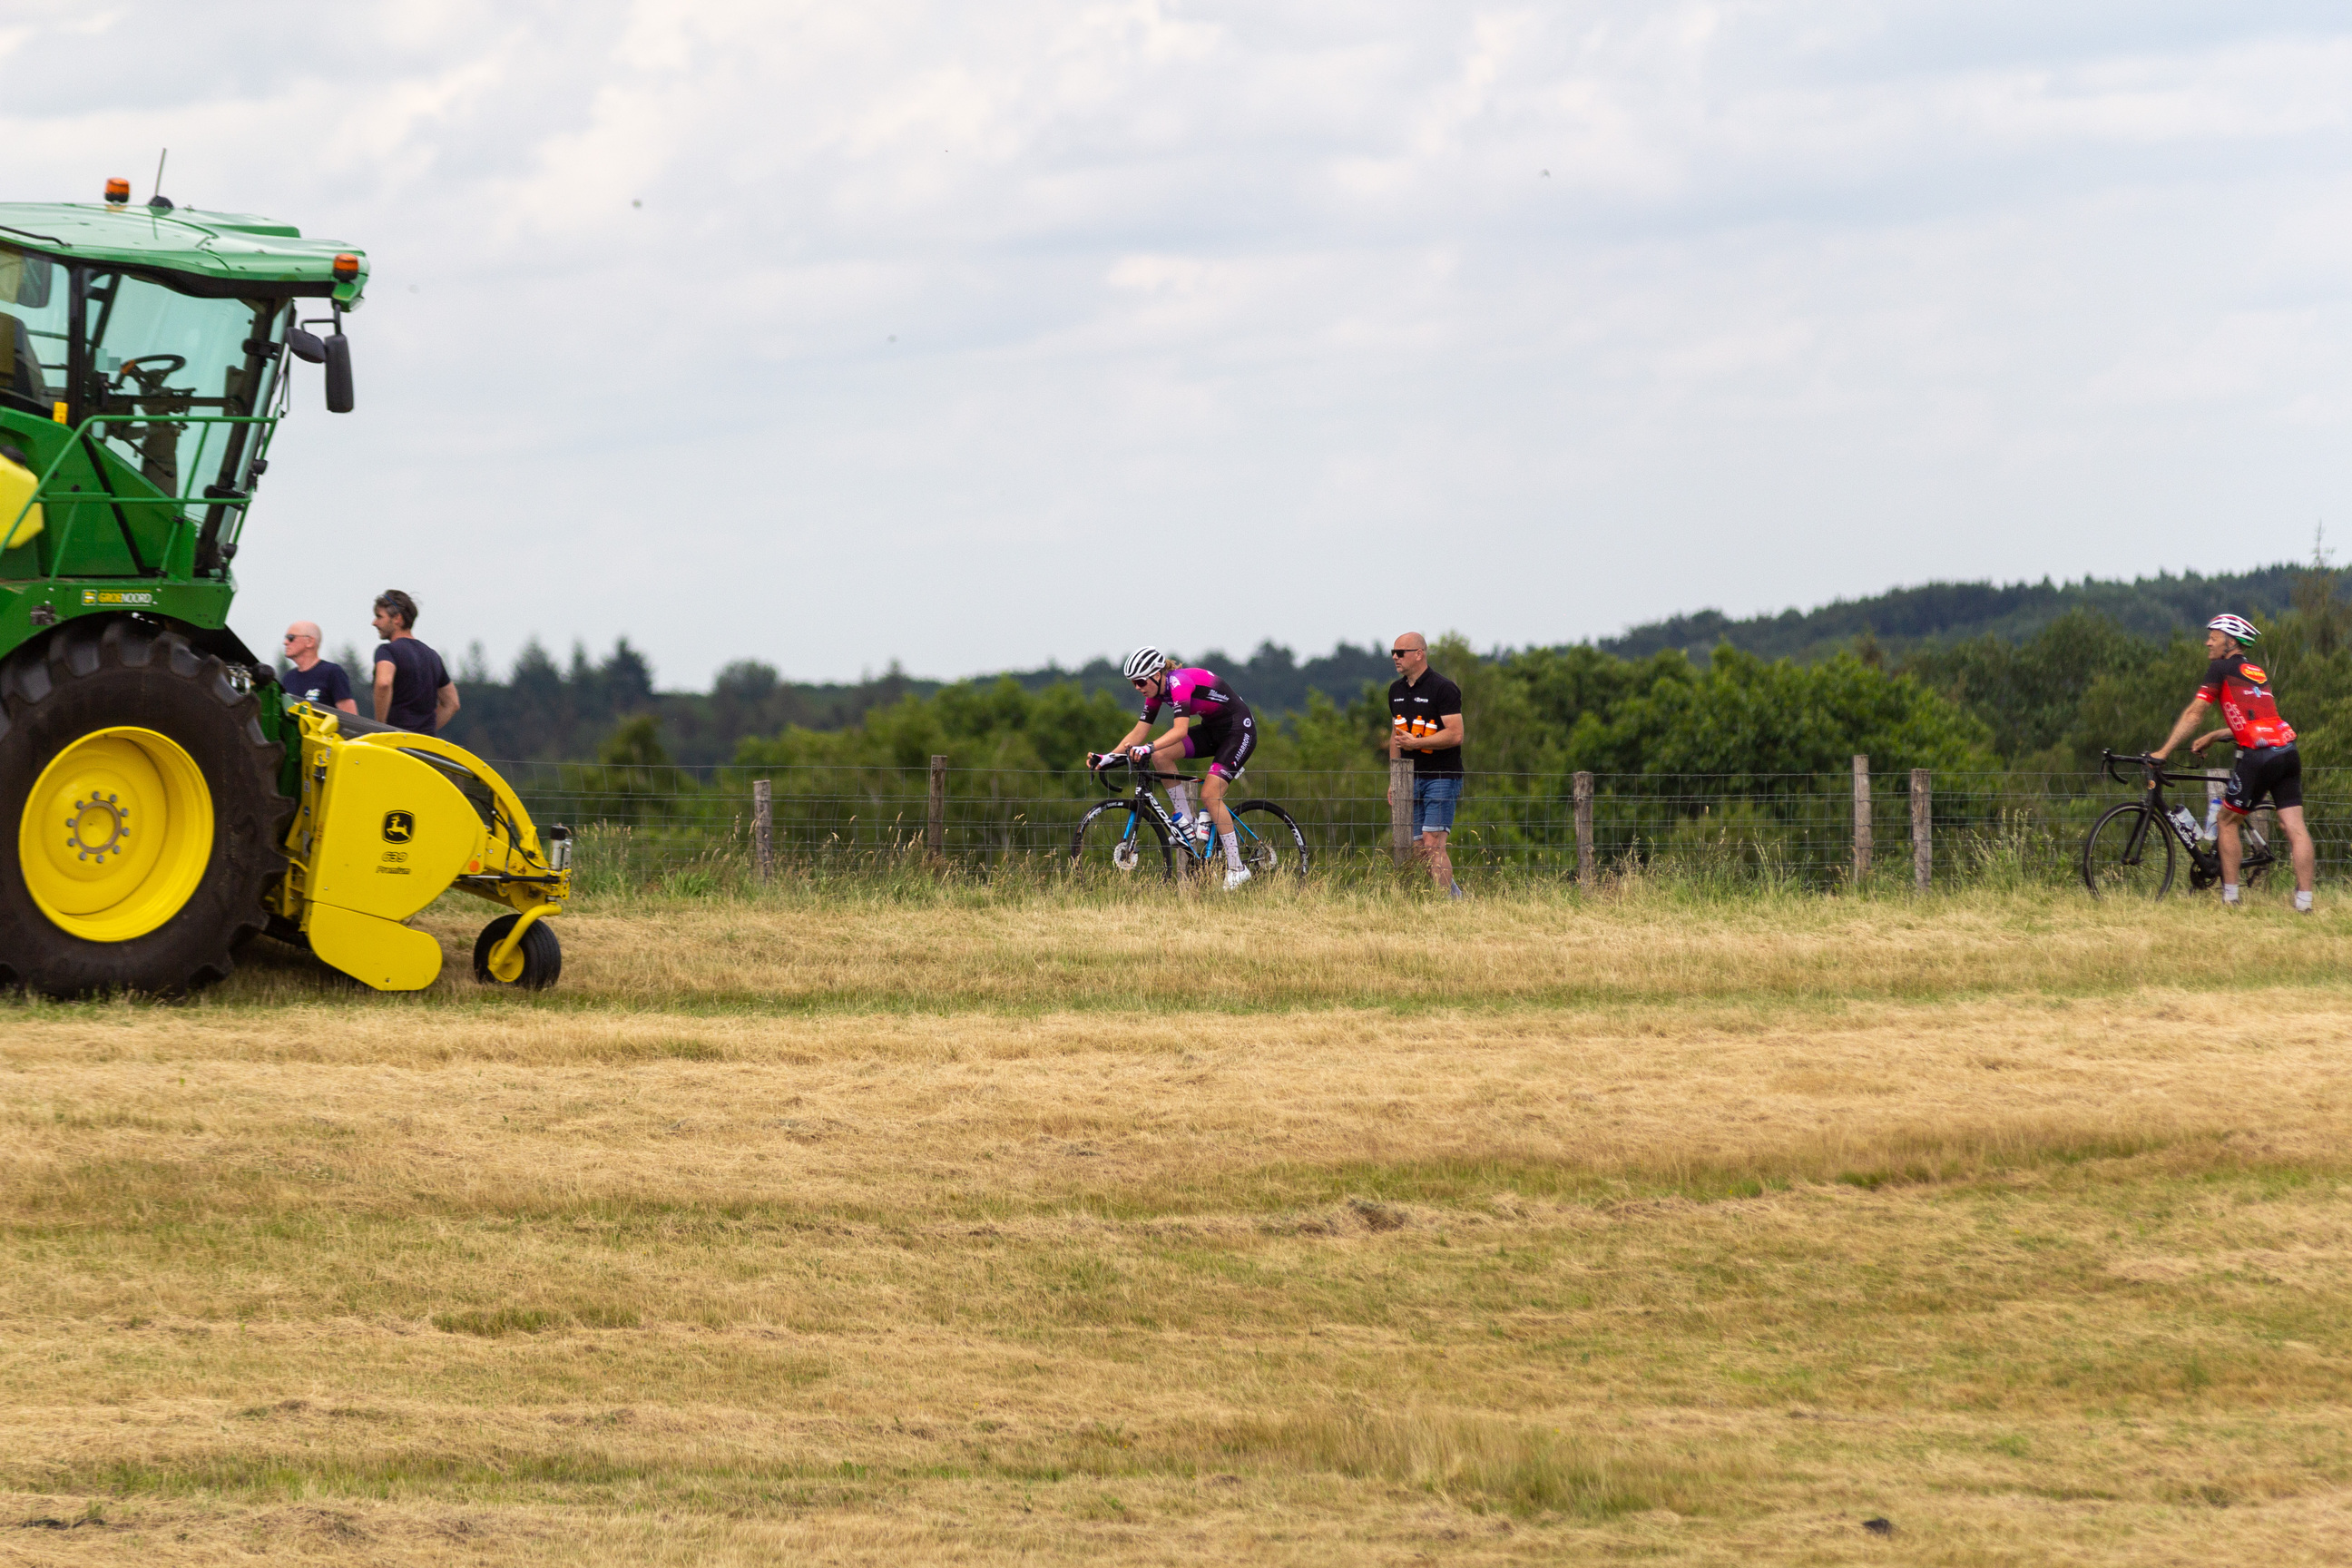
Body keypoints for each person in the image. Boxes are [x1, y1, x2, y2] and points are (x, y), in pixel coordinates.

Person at [2152, 612, 2316, 912]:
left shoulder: (2220, 668)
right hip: (2287, 750)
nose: (2207, 643)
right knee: (2294, 826)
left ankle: (2230, 899)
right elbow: (2259, 721)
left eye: (2213, 638)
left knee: (2226, 821)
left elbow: (2194, 714)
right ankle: (2304, 903)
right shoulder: (2256, 671)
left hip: (2259, 755)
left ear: (2230, 642)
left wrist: (2163, 752)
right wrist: (2215, 735)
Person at [1090, 648, 1259, 889]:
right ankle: (1187, 823)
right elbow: (1139, 732)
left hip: (1238, 731)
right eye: (1133, 684)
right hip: (1213, 730)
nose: (1137, 688)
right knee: (1161, 756)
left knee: (1210, 795)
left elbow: (1179, 731)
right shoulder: (1155, 691)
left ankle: (1237, 868)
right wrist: (1107, 758)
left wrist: (1147, 748)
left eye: (1140, 681)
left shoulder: (1179, 683)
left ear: (1157, 674)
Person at [1387, 632, 1465, 897]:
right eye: (1393, 653)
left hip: (1441, 777)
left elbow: (1455, 734)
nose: (1395, 658)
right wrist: (1394, 779)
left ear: (1419, 654)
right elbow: (1395, 737)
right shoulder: (1395, 691)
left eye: (1401, 652)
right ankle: (1456, 897)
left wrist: (1418, 742)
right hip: (1409, 778)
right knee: (1419, 848)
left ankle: (1444, 904)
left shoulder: (1443, 688)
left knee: (1433, 844)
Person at [369, 589, 459, 735]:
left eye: (379, 617)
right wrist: (423, 732)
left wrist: (380, 727)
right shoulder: (433, 656)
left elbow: (383, 683)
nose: (374, 623)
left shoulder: (387, 651)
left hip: (395, 744)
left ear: (397, 618)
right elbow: (452, 703)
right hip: (424, 749)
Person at [279, 620, 357, 714]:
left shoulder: (332, 672)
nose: (285, 642)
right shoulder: (288, 678)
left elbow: (351, 716)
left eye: (291, 638)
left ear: (309, 642)